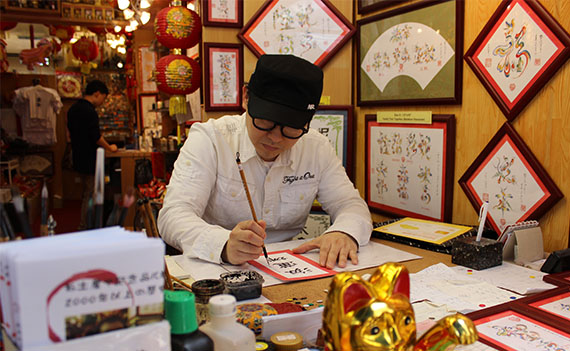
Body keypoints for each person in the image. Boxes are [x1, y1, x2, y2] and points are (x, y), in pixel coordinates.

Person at [158, 55, 372, 269]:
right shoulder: (211, 139)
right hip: (218, 266)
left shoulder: (316, 148)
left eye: (291, 128)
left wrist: (343, 232)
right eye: (266, 122)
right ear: (246, 98)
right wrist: (222, 244)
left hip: (289, 268)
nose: (276, 138)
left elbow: (349, 204)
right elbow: (173, 214)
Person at [67, 80, 118, 230]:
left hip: (78, 156)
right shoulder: (89, 111)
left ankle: (89, 224)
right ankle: (87, 226)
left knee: (87, 193)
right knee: (91, 194)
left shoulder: (73, 109)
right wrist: (110, 147)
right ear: (97, 94)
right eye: (104, 97)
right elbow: (95, 136)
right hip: (90, 158)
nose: (103, 101)